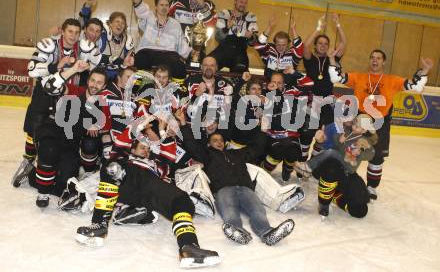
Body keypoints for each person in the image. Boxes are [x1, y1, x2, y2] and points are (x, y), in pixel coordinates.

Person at [75, 138, 220, 268]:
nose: (146, 150)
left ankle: (188, 246)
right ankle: (100, 225)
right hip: (129, 179)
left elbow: (168, 156)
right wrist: (138, 123)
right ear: (132, 150)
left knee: (183, 202)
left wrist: (167, 134)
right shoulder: (125, 158)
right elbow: (119, 144)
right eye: (142, 147)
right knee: (112, 168)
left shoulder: (157, 163)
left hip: (150, 186)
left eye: (148, 148)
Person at [176, 110, 295, 246]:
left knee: (258, 211)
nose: (219, 142)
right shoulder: (207, 156)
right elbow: (191, 145)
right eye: (215, 140)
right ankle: (237, 231)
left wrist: (262, 129)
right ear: (209, 145)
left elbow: (256, 148)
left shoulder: (237, 153)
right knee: (230, 212)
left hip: (245, 187)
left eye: (221, 140)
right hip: (223, 189)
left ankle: (267, 233)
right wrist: (184, 124)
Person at [328, 49, 433, 199]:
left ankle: (372, 187)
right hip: (360, 121)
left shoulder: (393, 80)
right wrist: (332, 59)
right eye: (372, 57)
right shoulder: (358, 77)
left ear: (383, 61)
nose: (374, 60)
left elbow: (415, 86)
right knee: (349, 151)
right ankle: (344, 180)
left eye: (378, 58)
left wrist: (425, 70)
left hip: (380, 124)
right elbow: (337, 77)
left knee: (377, 157)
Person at [12, 19, 100, 188]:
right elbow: (31, 70)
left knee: (67, 132)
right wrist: (55, 66)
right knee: (33, 128)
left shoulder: (85, 47)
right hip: (46, 92)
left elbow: (98, 65)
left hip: (70, 94)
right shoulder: (49, 45)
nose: (73, 36)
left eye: (76, 32)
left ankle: (63, 164)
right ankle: (28, 162)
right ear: (62, 32)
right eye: (69, 32)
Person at [31, 62, 110, 208]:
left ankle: (40, 172)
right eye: (92, 80)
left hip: (70, 145)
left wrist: (97, 128)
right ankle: (43, 192)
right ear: (87, 81)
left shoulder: (102, 106)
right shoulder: (74, 90)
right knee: (49, 152)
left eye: (99, 83)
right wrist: (73, 69)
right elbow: (50, 87)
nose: (94, 85)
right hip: (52, 134)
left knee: (66, 182)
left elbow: (105, 132)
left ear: (104, 87)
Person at [129, 0, 197, 86]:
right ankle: (143, 89)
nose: (164, 7)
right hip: (148, 52)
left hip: (168, 55)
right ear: (156, 7)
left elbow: (181, 43)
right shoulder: (148, 17)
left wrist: (192, 53)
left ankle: (176, 93)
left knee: (180, 67)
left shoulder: (175, 24)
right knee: (140, 59)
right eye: (161, 5)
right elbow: (138, 3)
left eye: (167, 5)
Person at [78, 0, 135, 79]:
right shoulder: (101, 35)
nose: (120, 25)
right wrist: (87, 6)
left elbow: (130, 64)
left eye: (123, 23)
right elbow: (85, 24)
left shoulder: (128, 41)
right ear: (110, 23)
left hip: (117, 78)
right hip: (98, 76)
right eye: (117, 21)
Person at [303, 13, 346, 127]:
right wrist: (318, 28)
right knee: (311, 129)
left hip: (328, 100)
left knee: (327, 131)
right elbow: (306, 45)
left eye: (326, 44)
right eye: (320, 43)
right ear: (315, 45)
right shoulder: (310, 58)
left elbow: (343, 43)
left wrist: (338, 24)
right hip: (312, 99)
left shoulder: (332, 57)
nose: (323, 46)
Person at [210, 0, 258, 72]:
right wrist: (227, 27)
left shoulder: (251, 17)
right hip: (223, 50)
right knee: (208, 64)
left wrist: (251, 37)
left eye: (245, 2)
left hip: (240, 53)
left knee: (240, 74)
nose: (243, 5)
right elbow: (217, 38)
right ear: (235, 1)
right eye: (241, 2)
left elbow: (253, 43)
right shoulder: (225, 14)